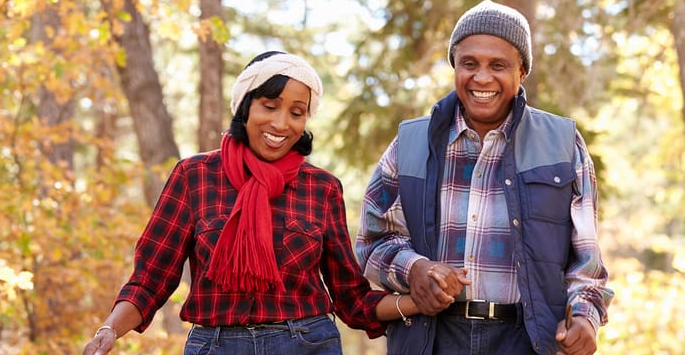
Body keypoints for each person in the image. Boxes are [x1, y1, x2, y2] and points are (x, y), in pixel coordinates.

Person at [82, 51, 467, 355]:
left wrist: (419, 300)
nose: (282, 124)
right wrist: (108, 330)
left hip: (307, 343)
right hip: (216, 346)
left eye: (297, 112)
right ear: (244, 107)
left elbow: (351, 300)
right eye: (270, 105)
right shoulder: (194, 176)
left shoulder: (321, 188)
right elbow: (151, 281)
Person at [356, 0, 614, 355]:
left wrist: (584, 316)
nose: (481, 78)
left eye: (498, 65)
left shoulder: (562, 143)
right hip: (430, 340)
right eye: (469, 64)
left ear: (521, 71)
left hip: (527, 340)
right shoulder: (411, 142)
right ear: (454, 68)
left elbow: (587, 259)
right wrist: (413, 269)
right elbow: (372, 241)